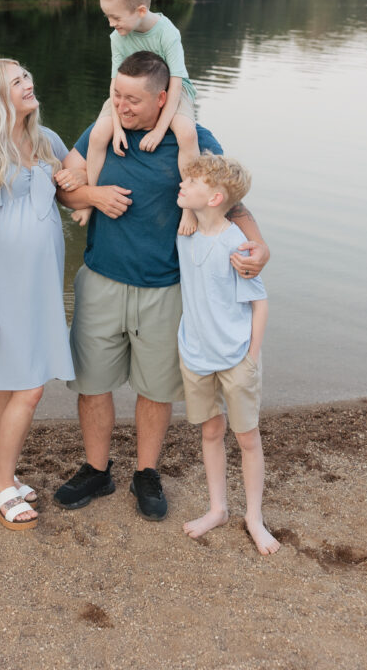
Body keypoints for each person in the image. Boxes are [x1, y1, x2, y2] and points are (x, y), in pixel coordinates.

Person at [53, 51, 269, 521]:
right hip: (101, 279)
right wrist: (93, 194)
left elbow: (230, 202)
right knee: (92, 384)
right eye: (117, 95)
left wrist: (260, 246)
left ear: (162, 99)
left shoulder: (195, 139)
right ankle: (96, 470)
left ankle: (146, 473)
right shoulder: (102, 130)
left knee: (155, 388)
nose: (122, 106)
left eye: (133, 100)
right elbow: (63, 187)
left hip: (167, 288)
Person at [0, 58, 74, 531]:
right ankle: (3, 487)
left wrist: (89, 189)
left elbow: (77, 176)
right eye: (16, 80)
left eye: (27, 75)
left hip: (41, 283)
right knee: (30, 385)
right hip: (1, 283)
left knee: (10, 383)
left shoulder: (48, 141)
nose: (28, 83)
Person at [176, 153, 280, 555]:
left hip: (237, 358)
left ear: (215, 197)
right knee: (210, 431)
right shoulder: (185, 232)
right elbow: (187, 202)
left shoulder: (237, 245)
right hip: (196, 355)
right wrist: (187, 209)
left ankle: (254, 517)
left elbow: (260, 303)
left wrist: (251, 357)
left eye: (192, 182)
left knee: (247, 437)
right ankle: (218, 508)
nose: (182, 184)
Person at [71, 0, 200, 236]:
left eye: (116, 17)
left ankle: (190, 206)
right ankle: (90, 199)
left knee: (187, 134)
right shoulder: (117, 37)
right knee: (98, 134)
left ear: (140, 11)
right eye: (107, 16)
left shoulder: (167, 33)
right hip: (126, 92)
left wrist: (160, 130)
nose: (111, 23)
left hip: (172, 89)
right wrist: (118, 128)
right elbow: (113, 84)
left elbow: (176, 84)